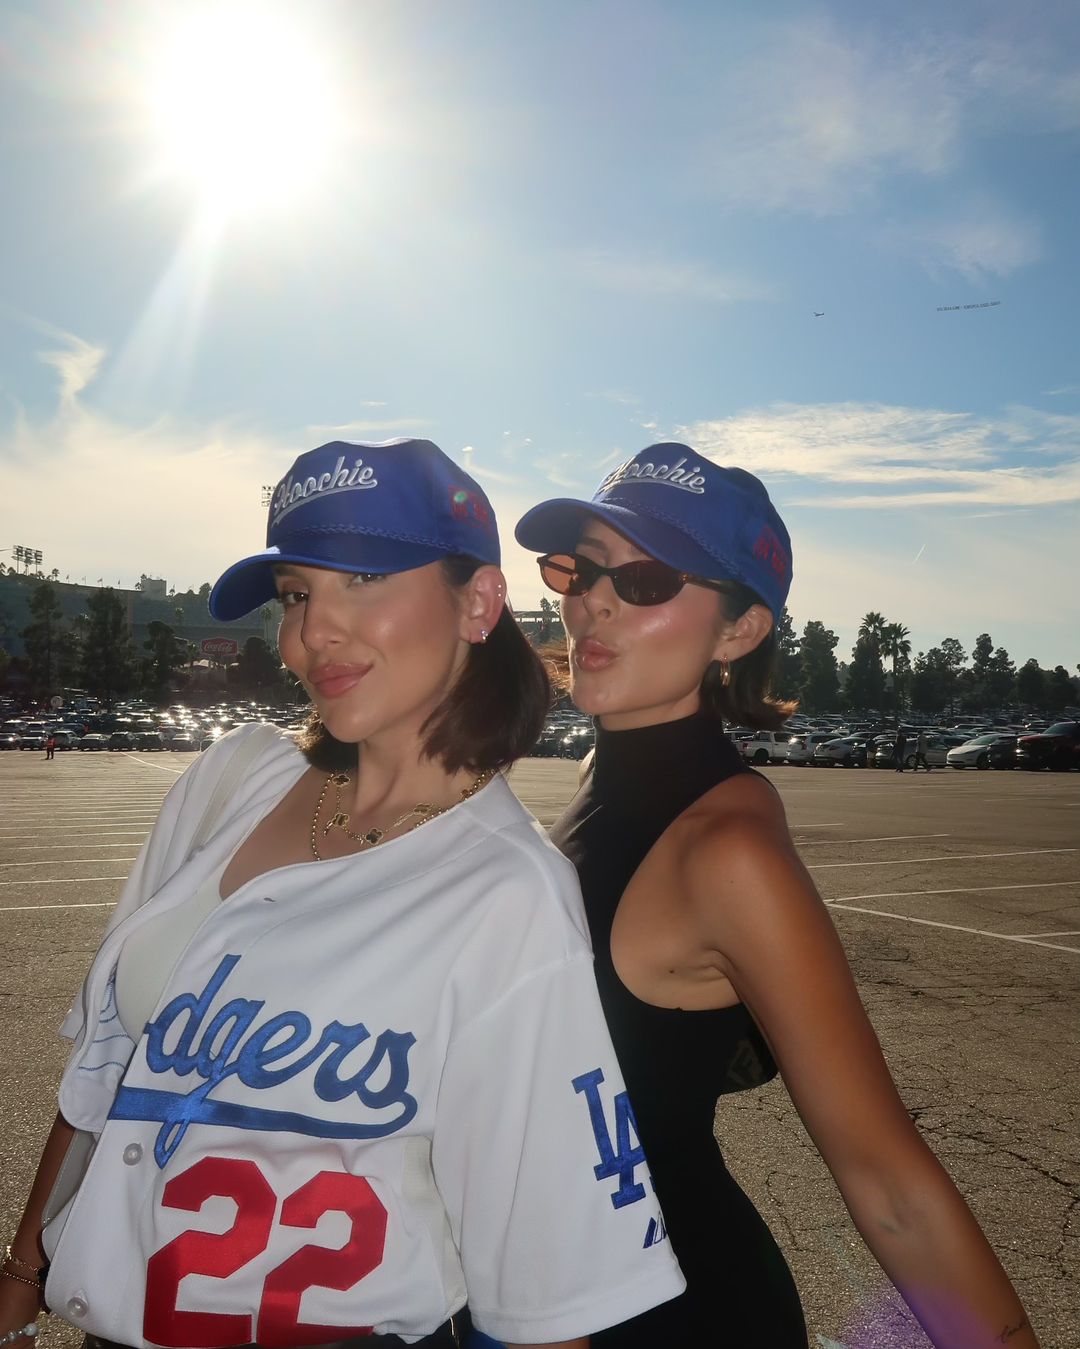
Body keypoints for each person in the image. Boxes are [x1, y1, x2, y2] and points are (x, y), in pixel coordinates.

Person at [0, 439, 685, 1349]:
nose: (313, 631)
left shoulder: (509, 891)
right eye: (296, 593)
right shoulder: (231, 779)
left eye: (363, 578)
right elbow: (106, 1068)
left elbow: (545, 1293)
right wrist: (22, 1271)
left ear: (480, 602)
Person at [515, 443, 1040, 1349]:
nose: (592, 600)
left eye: (644, 579)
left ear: (739, 630)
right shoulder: (606, 770)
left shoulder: (728, 847)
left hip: (678, 1314)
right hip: (557, 1295)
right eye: (582, 567)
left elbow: (889, 1182)